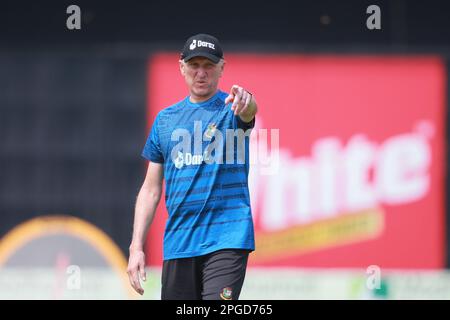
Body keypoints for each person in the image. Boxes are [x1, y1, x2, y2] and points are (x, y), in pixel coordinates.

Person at [127, 33, 258, 300]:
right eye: (194, 65)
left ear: (222, 68)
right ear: (182, 67)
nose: (201, 73)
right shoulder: (165, 120)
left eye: (209, 65)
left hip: (227, 240)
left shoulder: (231, 110)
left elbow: (249, 110)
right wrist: (136, 246)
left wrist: (247, 100)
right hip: (179, 244)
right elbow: (151, 190)